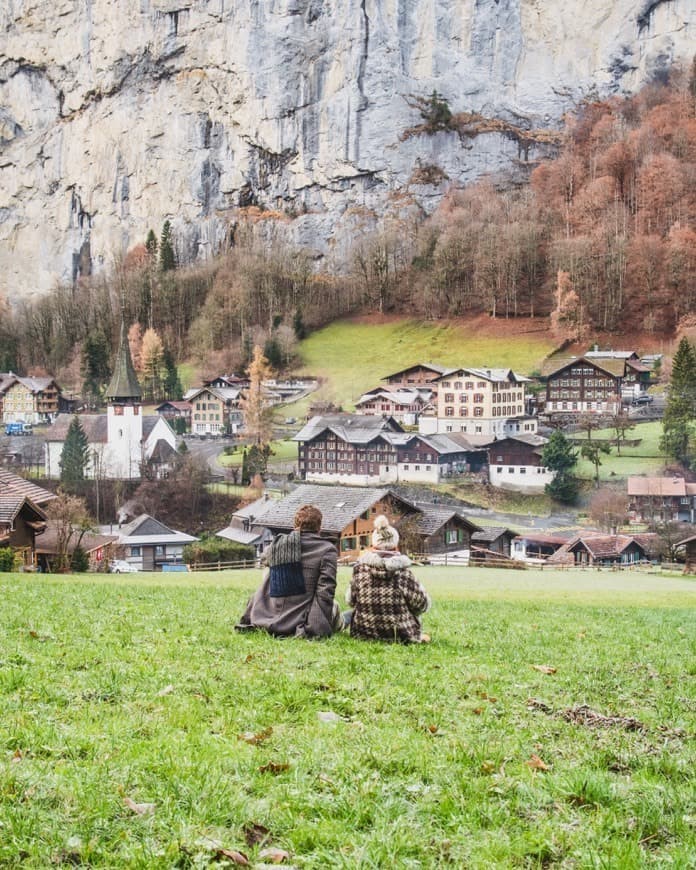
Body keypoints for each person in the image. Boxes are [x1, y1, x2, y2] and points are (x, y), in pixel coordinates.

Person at [235, 504, 342, 638]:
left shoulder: (278, 544)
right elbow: (326, 591)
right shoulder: (327, 549)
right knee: (337, 608)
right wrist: (316, 625)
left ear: (295, 525)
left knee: (269, 571)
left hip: (264, 616)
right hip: (301, 620)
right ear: (319, 527)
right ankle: (345, 622)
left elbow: (264, 558)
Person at [347, 515, 431, 644]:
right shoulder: (404, 574)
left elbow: (350, 601)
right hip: (401, 634)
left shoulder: (359, 571)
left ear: (373, 546)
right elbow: (423, 605)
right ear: (395, 546)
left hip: (363, 633)